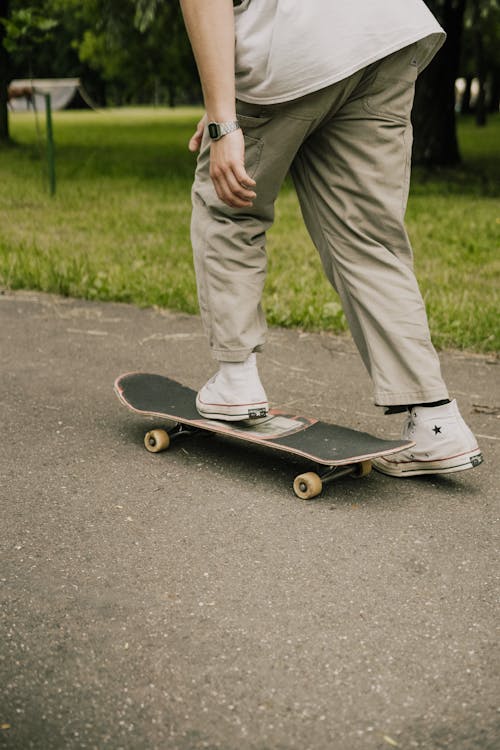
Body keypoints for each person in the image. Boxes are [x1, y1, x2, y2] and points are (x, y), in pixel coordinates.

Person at [179, 0, 482, 478]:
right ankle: (435, 421)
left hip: (296, 44)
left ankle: (236, 379)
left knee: (230, 202)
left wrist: (223, 119)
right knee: (367, 238)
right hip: (385, 35)